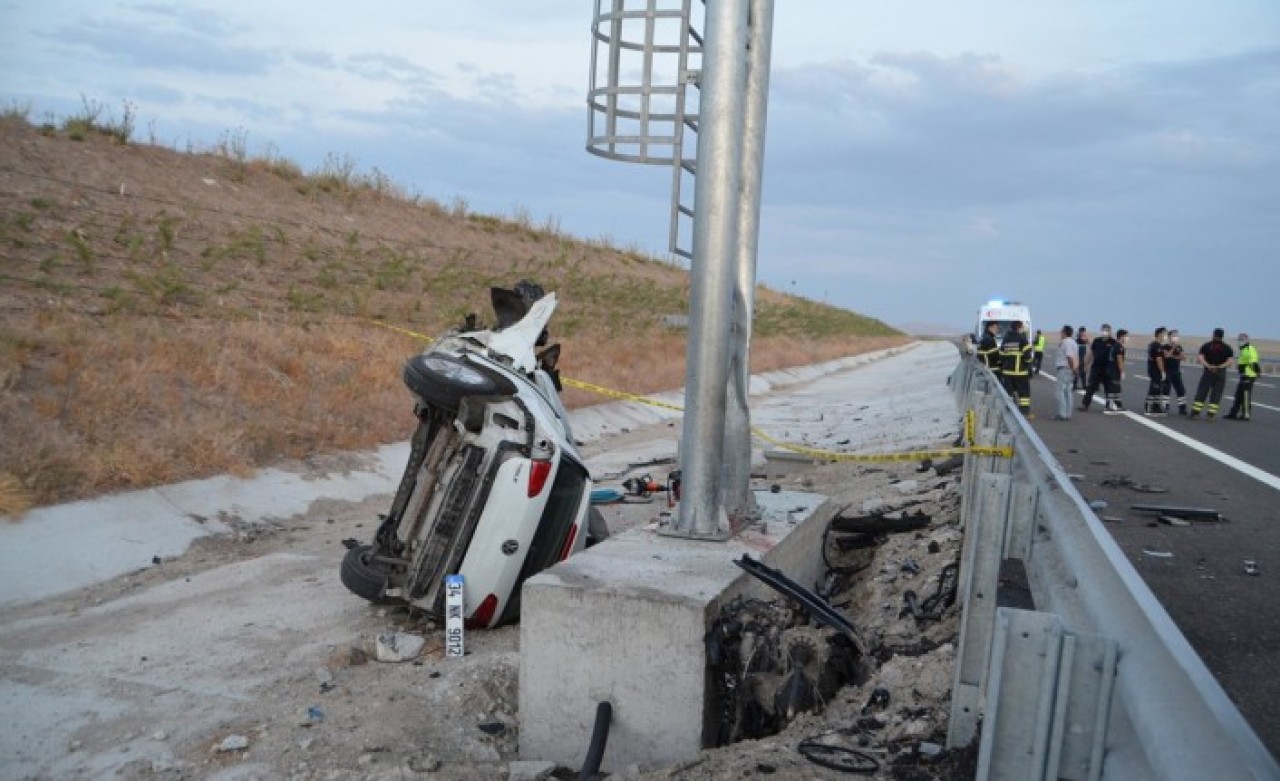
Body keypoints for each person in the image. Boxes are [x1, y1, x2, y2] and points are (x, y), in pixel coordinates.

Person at [1189, 328, 1234, 420]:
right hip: (1220, 373)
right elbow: (1229, 362)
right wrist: (1219, 367)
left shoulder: (1206, 346)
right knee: (1216, 394)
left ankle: (1195, 413)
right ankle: (1211, 415)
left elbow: (1200, 358)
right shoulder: (1227, 348)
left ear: (1213, 335)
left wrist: (1208, 366)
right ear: (1222, 336)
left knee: (1202, 392)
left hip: (1208, 371)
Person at [1082, 324, 1124, 413]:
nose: (1105, 332)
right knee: (1091, 387)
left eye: (1107, 330)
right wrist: (1085, 365)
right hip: (1096, 368)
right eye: (1103, 330)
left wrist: (1120, 370)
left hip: (1108, 369)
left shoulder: (1113, 342)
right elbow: (1091, 354)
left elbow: (1118, 356)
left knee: (1109, 388)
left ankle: (1111, 405)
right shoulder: (1097, 341)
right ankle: (1085, 405)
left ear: (1110, 332)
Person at [1000, 320, 1034, 416]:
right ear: (1018, 327)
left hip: (1007, 372)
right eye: (1022, 327)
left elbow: (1001, 355)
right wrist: (1029, 366)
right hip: (1020, 372)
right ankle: (1024, 413)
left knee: (1008, 393)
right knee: (1024, 395)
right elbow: (1027, 356)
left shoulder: (1006, 338)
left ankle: (1008, 413)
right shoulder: (1022, 339)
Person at [1225, 333, 1261, 421]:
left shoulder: (1250, 349)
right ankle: (1233, 413)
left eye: (1242, 340)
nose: (1240, 342)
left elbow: (1253, 362)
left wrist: (1257, 372)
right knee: (1238, 395)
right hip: (1243, 375)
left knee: (1245, 395)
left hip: (1248, 375)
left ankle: (1246, 414)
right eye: (1239, 340)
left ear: (1247, 340)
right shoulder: (1243, 349)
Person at [1053, 325, 1079, 420]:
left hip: (1064, 369)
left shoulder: (1065, 342)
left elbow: (1069, 356)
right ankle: (1068, 414)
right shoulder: (1074, 343)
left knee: (1060, 392)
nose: (1060, 333)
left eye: (1061, 331)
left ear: (1065, 332)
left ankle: (1062, 414)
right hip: (1070, 369)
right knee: (1068, 392)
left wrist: (1072, 368)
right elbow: (1075, 356)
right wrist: (1075, 369)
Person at [1143, 327, 1169, 415]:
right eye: (1164, 334)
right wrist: (1162, 371)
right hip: (1155, 370)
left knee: (1157, 389)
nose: (1165, 336)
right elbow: (1159, 359)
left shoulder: (1152, 344)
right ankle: (1149, 408)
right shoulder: (1157, 346)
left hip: (1152, 369)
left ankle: (1156, 407)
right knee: (1154, 388)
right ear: (1160, 334)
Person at [1164, 329, 1189, 415]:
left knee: (1181, 390)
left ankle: (1182, 408)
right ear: (1169, 337)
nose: (1175, 338)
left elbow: (1183, 357)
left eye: (1176, 336)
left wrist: (1174, 356)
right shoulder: (1164, 347)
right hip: (1167, 371)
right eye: (1174, 336)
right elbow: (1166, 356)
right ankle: (1165, 407)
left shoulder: (1179, 347)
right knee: (1166, 390)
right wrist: (1173, 348)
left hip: (1176, 371)